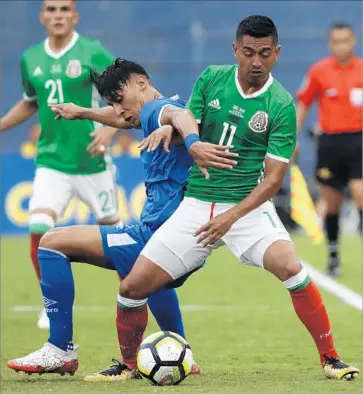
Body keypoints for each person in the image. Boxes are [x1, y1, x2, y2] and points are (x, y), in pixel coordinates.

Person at [112, 16, 357, 381]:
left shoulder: (280, 105)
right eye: (248, 52)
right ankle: (129, 365)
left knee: (291, 267)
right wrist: (174, 130)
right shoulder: (212, 78)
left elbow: (274, 180)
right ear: (235, 50)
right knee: (132, 287)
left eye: (264, 53)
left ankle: (330, 358)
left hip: (248, 207)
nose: (256, 62)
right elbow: (189, 118)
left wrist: (231, 217)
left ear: (276, 53)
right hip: (196, 204)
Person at [7, 58, 237, 377]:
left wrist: (193, 142)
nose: (116, 109)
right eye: (110, 103)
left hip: (157, 232)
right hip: (176, 238)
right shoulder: (157, 111)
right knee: (148, 279)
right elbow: (134, 120)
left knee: (51, 243)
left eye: (118, 99)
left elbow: (178, 116)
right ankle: (181, 353)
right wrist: (84, 112)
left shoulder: (162, 111)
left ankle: (60, 350)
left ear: (141, 83)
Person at [0, 0, 120, 329]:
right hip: (51, 161)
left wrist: (109, 131)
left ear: (75, 16)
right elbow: (30, 102)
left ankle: (131, 300)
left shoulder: (92, 52)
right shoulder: (31, 59)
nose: (58, 15)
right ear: (42, 17)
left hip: (93, 162)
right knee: (38, 228)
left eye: (64, 9)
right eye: (51, 9)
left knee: (117, 242)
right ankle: (50, 305)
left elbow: (123, 95)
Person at [296, 22, 362, 277]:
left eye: (346, 40)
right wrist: (293, 138)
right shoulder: (319, 71)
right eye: (337, 41)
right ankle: (333, 256)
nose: (342, 45)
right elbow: (303, 103)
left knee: (360, 192)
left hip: (359, 141)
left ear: (353, 41)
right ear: (330, 44)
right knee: (331, 202)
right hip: (331, 143)